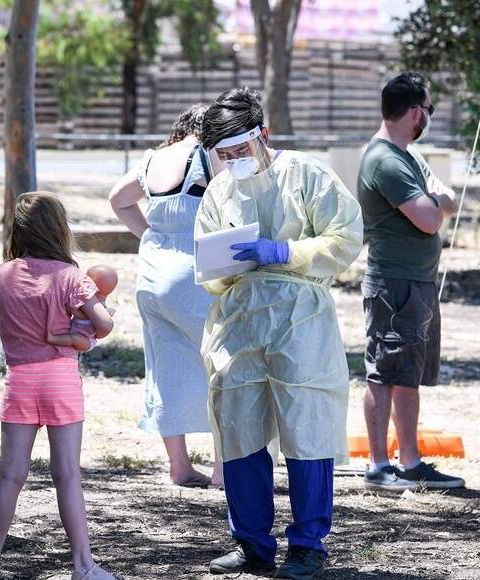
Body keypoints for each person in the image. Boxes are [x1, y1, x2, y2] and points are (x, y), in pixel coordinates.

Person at [195, 87, 363, 578]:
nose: (231, 163)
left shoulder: (307, 175)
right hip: (238, 321)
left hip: (300, 320)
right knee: (239, 428)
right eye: (222, 156)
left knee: (306, 427)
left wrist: (284, 253)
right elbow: (207, 267)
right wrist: (226, 265)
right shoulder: (219, 190)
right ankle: (250, 542)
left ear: (263, 134)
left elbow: (346, 237)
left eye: (239, 151)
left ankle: (309, 544)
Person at [0, 191, 119, 580]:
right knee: (66, 475)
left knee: (10, 475)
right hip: (60, 381)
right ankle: (83, 566)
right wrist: (77, 325)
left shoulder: (0, 274)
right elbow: (105, 324)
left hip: (20, 382)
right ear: (58, 230)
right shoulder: (69, 277)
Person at [357, 72, 465, 491]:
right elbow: (430, 216)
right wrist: (438, 202)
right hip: (394, 284)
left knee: (407, 375)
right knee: (384, 373)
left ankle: (411, 462)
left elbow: (446, 201)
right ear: (415, 111)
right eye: (429, 109)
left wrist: (438, 201)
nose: (429, 118)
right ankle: (379, 466)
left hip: (414, 283)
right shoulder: (386, 159)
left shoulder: (407, 157)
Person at [107, 103, 223, 488]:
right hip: (195, 273)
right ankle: (225, 470)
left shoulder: (153, 158)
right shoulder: (208, 155)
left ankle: (179, 466)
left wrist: (151, 236)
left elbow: (117, 199)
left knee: (165, 369)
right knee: (222, 368)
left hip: (152, 277)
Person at [46, 264, 117, 352]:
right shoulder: (92, 301)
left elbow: (85, 316)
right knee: (73, 337)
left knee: (74, 338)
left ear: (92, 283)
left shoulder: (98, 305)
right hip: (81, 333)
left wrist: (71, 309)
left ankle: (52, 339)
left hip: (87, 339)